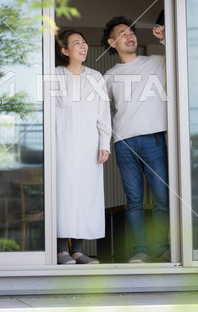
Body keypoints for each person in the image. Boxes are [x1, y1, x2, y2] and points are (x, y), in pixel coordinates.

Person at [101, 16, 170, 263]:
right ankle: (140, 250)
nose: (130, 36)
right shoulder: (108, 76)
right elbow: (100, 112)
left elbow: (180, 56)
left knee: (163, 199)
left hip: (154, 141)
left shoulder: (156, 62)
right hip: (124, 144)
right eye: (123, 33)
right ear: (112, 43)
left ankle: (163, 250)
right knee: (134, 203)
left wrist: (165, 39)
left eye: (132, 32)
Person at [54, 29, 111, 264]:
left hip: (89, 146)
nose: (83, 46)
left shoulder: (96, 77)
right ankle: (60, 250)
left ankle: (77, 250)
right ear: (65, 51)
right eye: (76, 43)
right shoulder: (54, 75)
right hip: (62, 146)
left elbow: (103, 114)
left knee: (87, 195)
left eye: (85, 42)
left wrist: (104, 143)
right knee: (62, 195)